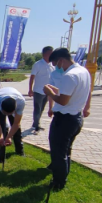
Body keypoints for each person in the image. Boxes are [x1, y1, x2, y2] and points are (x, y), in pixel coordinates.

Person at [43, 48, 91, 191]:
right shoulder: (83, 71)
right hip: (76, 117)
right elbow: (72, 93)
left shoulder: (69, 76)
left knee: (58, 153)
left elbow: (63, 101)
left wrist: (50, 93)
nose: (57, 68)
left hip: (64, 120)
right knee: (66, 151)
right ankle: (63, 177)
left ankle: (58, 182)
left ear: (61, 60)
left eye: (56, 64)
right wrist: (56, 90)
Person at [0, 87, 26, 162]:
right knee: (2, 128)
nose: (7, 115)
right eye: (5, 113)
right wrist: (1, 136)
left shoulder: (21, 102)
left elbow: (16, 123)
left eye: (9, 113)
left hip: (15, 99)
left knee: (17, 130)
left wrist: (9, 137)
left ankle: (20, 151)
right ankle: (1, 157)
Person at [28, 46, 54, 131]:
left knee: (42, 109)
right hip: (38, 91)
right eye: (50, 53)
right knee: (37, 109)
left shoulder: (52, 65)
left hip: (47, 92)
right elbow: (32, 77)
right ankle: (36, 125)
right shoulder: (38, 64)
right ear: (44, 54)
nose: (51, 55)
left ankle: (36, 123)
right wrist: (30, 89)